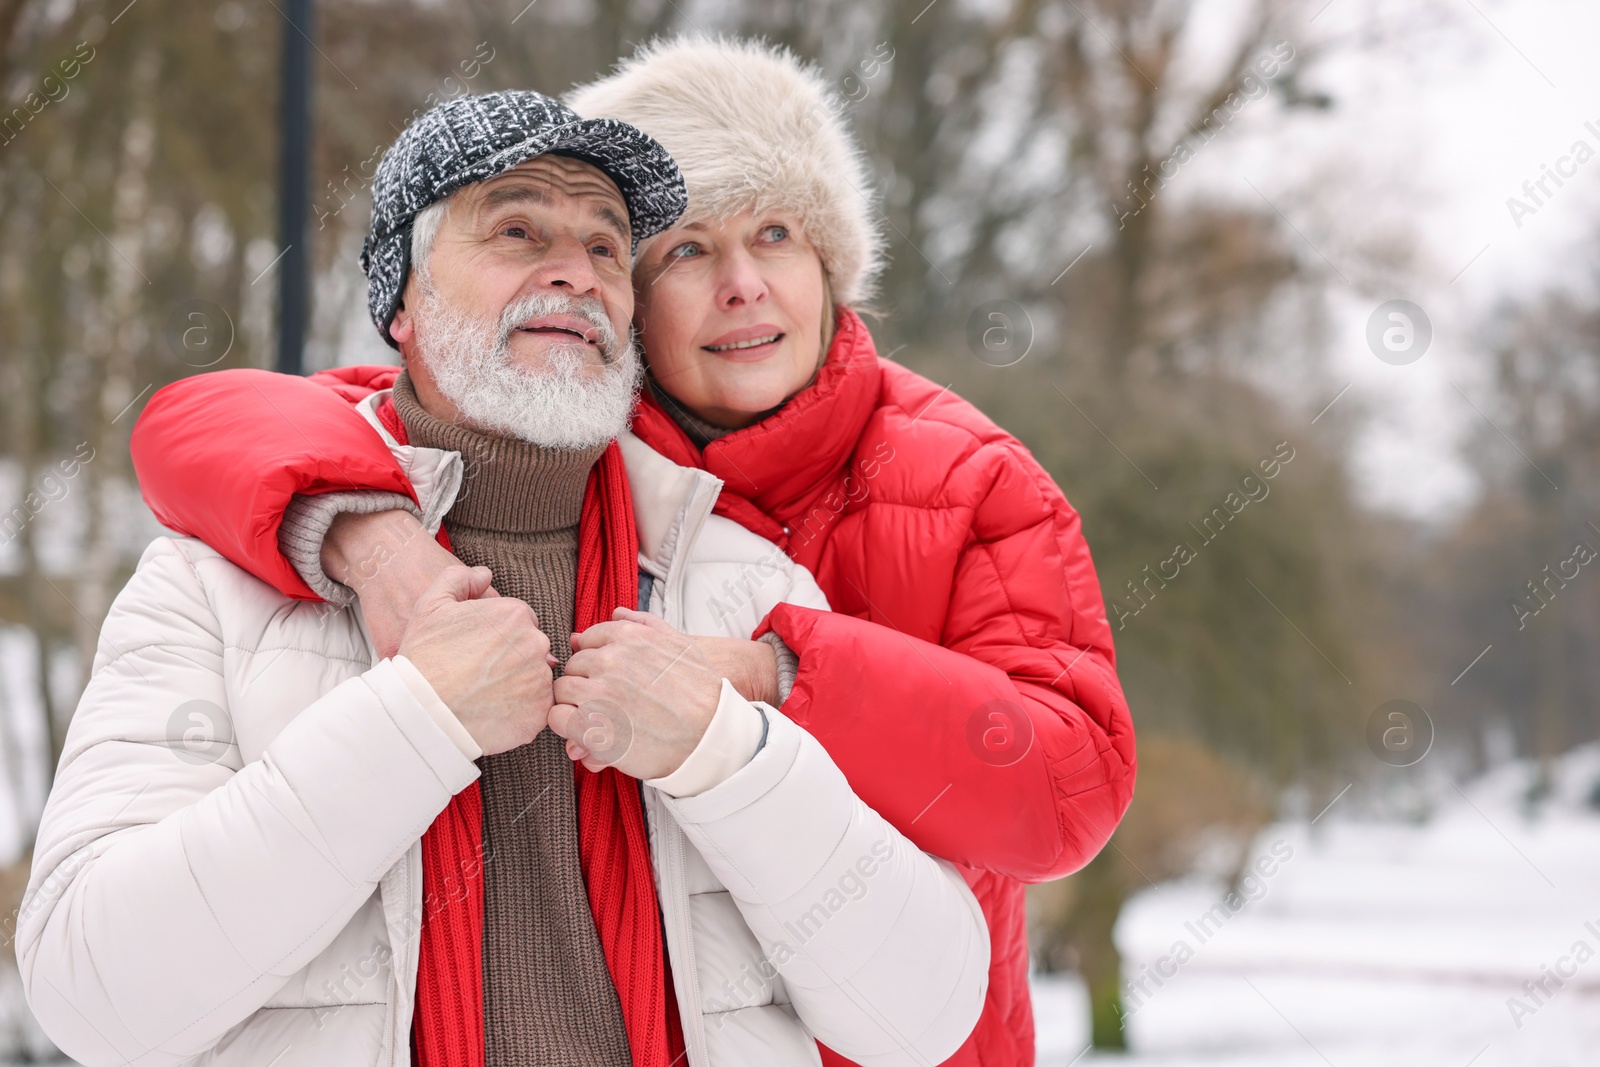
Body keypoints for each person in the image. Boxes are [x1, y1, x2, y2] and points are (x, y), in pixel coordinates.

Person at [121, 37, 1136, 1065]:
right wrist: (372, 541)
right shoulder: (555, 425)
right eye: (687, 249)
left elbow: (1067, 782)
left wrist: (770, 674)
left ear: (831, 266)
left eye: (777, 234)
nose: (742, 285)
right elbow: (217, 419)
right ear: (632, 306)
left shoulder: (967, 477)